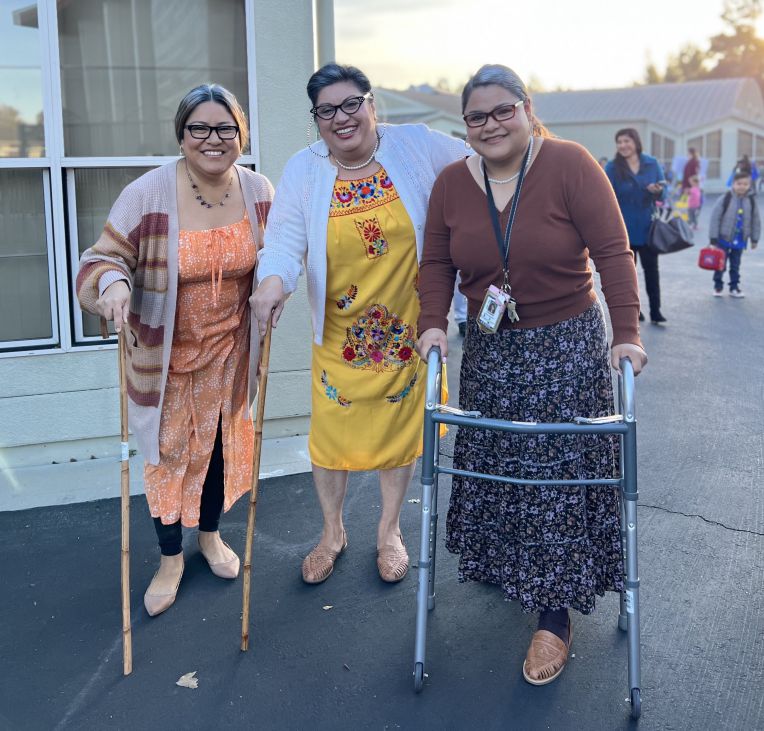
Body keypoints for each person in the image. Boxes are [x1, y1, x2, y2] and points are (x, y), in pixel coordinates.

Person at [416, 64, 647, 687]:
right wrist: (432, 322)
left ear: (526, 108)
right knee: (503, 467)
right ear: (463, 125)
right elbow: (436, 261)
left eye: (501, 111)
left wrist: (627, 334)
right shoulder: (450, 184)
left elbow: (613, 255)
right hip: (491, 350)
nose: (489, 125)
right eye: (475, 116)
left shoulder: (570, 165)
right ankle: (515, 568)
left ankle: (554, 614)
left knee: (553, 481)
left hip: (564, 348)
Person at [251, 63, 466, 585]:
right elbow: (282, 240)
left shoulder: (416, 144)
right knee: (330, 440)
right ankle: (332, 532)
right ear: (316, 120)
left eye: (351, 103)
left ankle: (389, 531)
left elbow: (480, 164)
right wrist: (272, 282)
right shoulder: (304, 170)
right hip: (341, 336)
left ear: (372, 104)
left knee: (399, 433)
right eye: (327, 110)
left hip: (412, 330)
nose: (341, 118)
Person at [76, 84, 274, 616]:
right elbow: (101, 258)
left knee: (213, 448)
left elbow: (281, 254)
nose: (213, 139)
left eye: (225, 128)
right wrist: (114, 284)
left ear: (241, 134)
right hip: (164, 356)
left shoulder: (258, 192)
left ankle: (209, 536)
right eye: (199, 129)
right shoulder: (148, 193)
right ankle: (170, 558)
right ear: (182, 136)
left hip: (230, 351)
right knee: (166, 457)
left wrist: (277, 286)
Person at [605, 128, 668, 324]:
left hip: (647, 227)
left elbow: (663, 194)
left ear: (636, 142)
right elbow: (605, 194)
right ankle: (634, 311)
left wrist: (657, 191)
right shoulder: (613, 167)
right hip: (622, 229)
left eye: (626, 141)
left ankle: (656, 311)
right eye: (619, 142)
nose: (623, 145)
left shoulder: (652, 163)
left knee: (652, 270)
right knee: (627, 275)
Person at [710, 171, 760, 297]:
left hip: (740, 240)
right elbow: (715, 219)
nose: (742, 186)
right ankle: (718, 286)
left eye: (745, 184)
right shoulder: (725, 198)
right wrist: (713, 240)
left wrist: (754, 239)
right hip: (723, 239)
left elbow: (756, 221)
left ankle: (734, 287)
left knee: (735, 265)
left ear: (749, 185)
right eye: (739, 183)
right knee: (720, 264)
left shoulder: (751, 201)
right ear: (733, 184)